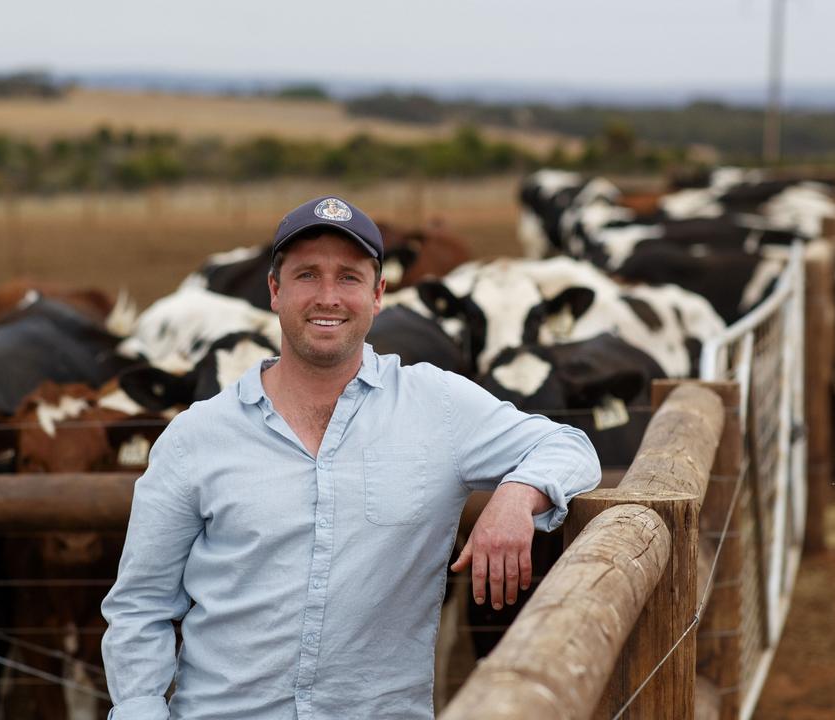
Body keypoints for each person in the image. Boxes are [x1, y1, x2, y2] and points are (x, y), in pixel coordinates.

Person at [101, 196, 601, 719]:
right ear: (274, 290)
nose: (327, 297)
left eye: (348, 278)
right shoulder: (195, 437)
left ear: (379, 293)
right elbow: (140, 606)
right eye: (307, 276)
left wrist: (517, 495)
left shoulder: (436, 405)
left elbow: (570, 446)